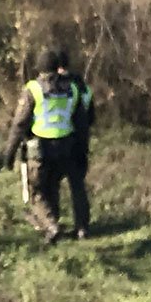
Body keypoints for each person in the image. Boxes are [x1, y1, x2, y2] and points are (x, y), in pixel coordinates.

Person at [0, 47, 88, 243]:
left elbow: (19, 124)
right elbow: (81, 123)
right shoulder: (72, 89)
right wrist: (82, 149)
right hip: (66, 147)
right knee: (52, 187)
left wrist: (9, 153)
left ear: (39, 68)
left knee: (37, 192)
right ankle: (54, 226)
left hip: (40, 149)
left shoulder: (33, 89)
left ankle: (51, 226)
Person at [56, 48, 95, 238]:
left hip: (59, 140)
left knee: (51, 184)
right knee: (78, 186)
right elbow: (91, 117)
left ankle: (53, 225)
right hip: (81, 142)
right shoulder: (84, 87)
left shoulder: (57, 86)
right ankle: (82, 227)